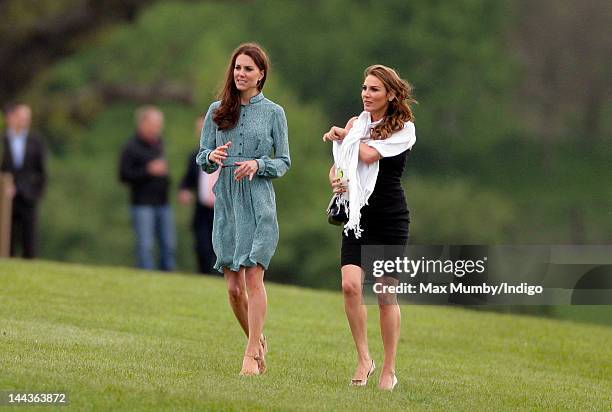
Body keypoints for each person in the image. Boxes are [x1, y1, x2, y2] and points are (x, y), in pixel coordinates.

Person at [196, 43, 290, 376]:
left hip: (259, 200)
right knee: (234, 288)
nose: (241, 73)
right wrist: (211, 158)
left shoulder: (274, 113)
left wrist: (258, 164)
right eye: (237, 68)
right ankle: (257, 339)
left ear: (261, 74)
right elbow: (202, 157)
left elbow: (283, 162)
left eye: (248, 69)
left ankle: (250, 356)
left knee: (253, 278)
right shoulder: (216, 110)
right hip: (228, 203)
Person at [323, 65, 417, 390]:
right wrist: (335, 179)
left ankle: (389, 368)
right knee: (350, 286)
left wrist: (344, 135)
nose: (366, 94)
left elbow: (365, 155)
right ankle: (365, 358)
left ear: (390, 94)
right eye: (364, 88)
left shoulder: (404, 129)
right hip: (357, 216)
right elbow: (341, 165)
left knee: (384, 293)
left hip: (390, 218)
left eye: (374, 89)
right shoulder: (356, 124)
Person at [119, 105, 176, 272]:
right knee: (145, 245)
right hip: (142, 204)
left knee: (169, 243)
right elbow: (124, 175)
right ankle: (146, 276)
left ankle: (169, 276)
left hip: (163, 202)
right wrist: (148, 170)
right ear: (143, 123)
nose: (159, 128)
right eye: (156, 124)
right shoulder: (130, 147)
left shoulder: (159, 144)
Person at [1, 102, 47, 258]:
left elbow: (42, 172)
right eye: (22, 117)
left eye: (28, 118)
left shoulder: (36, 142)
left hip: (28, 197)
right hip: (5, 199)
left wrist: (36, 194)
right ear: (11, 117)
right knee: (7, 238)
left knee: (29, 240)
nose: (25, 121)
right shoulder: (3, 141)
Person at [178, 114, 219, 274]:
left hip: (223, 211)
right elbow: (187, 180)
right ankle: (204, 279)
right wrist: (184, 190)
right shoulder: (195, 156)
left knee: (220, 251)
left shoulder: (228, 155)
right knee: (202, 248)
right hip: (202, 211)